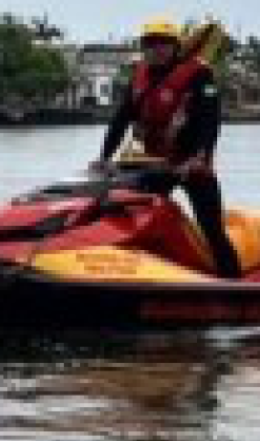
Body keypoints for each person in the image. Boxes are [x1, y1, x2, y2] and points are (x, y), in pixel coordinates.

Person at [93, 16, 242, 280]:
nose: (156, 49)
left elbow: (210, 120)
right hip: (157, 164)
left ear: (176, 47)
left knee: (212, 230)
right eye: (150, 43)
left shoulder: (199, 74)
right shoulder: (139, 76)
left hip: (192, 164)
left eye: (163, 43)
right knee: (131, 215)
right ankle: (134, 273)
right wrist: (104, 157)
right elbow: (120, 119)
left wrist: (200, 156)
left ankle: (235, 284)